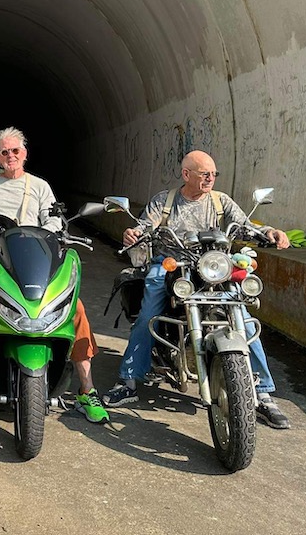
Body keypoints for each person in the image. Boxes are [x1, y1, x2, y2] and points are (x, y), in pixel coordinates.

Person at [102, 149, 293, 430]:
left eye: (213, 174)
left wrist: (269, 232)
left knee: (245, 320)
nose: (210, 179)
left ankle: (262, 393)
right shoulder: (165, 201)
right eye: (205, 174)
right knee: (149, 316)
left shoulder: (220, 201)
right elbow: (144, 226)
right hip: (171, 265)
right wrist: (134, 232)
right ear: (186, 174)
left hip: (212, 267)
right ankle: (128, 379)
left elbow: (244, 226)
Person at [0, 127, 109, 424]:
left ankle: (86, 390)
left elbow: (53, 218)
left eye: (16, 151)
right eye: (4, 151)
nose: (10, 156)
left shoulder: (39, 186)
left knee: (74, 309)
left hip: (36, 264)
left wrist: (54, 230)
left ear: (25, 153)